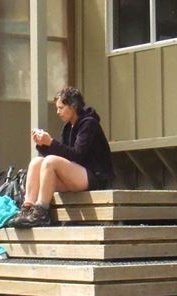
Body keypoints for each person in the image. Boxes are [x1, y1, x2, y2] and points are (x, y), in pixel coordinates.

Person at [14, 87, 114, 227]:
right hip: (76, 174)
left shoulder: (89, 124)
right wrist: (43, 145)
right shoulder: (68, 127)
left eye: (61, 108)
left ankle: (41, 212)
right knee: (36, 162)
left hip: (93, 176)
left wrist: (51, 142)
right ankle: (28, 208)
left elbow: (77, 155)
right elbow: (64, 154)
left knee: (50, 162)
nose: (58, 112)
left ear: (73, 106)